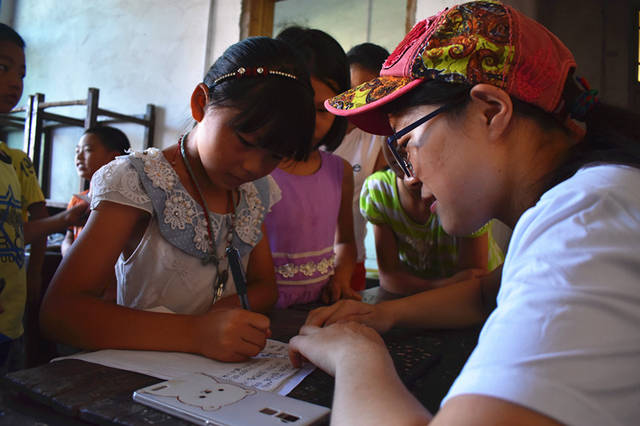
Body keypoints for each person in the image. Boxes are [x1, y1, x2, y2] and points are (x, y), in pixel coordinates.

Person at [288, 1, 640, 424]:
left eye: (406, 145)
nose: (410, 175)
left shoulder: (587, 224)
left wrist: (354, 356)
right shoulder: (592, 200)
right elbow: (483, 294)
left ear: (490, 111)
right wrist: (381, 314)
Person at [39, 36, 316, 362]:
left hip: (212, 376)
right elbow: (60, 312)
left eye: (274, 155)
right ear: (201, 103)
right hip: (132, 378)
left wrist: (223, 315)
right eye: (244, 140)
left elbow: (264, 286)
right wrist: (197, 331)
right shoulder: (138, 180)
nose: (253, 166)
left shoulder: (254, 193)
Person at [0, 23, 87, 372]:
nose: (15, 83)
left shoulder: (16, 162)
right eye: (2, 68)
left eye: (21, 73)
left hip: (8, 314)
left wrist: (35, 275)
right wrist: (64, 220)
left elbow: (30, 226)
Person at [263, 27, 360, 308]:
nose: (307, 120)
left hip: (316, 309)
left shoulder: (339, 172)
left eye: (321, 110)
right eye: (298, 105)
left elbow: (345, 243)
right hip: (260, 312)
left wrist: (340, 277)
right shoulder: (253, 170)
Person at [361, 151, 504, 295]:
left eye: (405, 136)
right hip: (429, 299)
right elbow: (390, 278)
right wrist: (445, 285)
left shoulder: (465, 187)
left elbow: (473, 282)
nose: (396, 144)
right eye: (387, 135)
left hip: (489, 296)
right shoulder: (379, 190)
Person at [333, 42, 389, 291]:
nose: (358, 101)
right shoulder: (316, 132)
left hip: (351, 260)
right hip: (302, 259)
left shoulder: (379, 137)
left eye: (371, 94)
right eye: (353, 90)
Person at [61, 126, 131, 257]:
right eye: (77, 151)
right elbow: (69, 237)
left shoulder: (124, 202)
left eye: (88, 150)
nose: (79, 156)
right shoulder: (78, 200)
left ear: (114, 157)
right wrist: (68, 253)